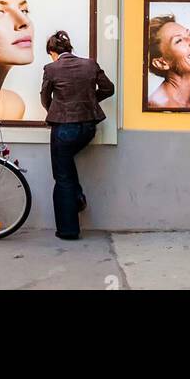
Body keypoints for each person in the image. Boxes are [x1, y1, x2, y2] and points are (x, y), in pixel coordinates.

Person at [40, 30, 114, 241]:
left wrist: (54, 110)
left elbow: (45, 97)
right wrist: (90, 101)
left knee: (62, 177)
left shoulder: (52, 68)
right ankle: (78, 196)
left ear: (52, 51)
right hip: (88, 128)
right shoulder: (90, 64)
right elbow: (109, 89)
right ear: (69, 48)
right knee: (67, 163)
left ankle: (68, 230)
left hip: (63, 129)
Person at [146, 14, 190, 109]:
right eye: (179, 41)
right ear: (161, 63)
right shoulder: (159, 107)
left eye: (189, 34)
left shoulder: (188, 104)